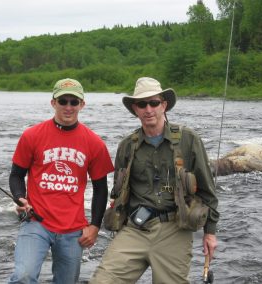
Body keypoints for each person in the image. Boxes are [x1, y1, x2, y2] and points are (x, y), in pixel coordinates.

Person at [90, 77, 219, 283]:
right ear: (135, 109)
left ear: (164, 105)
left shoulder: (189, 139)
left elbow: (207, 190)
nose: (148, 109)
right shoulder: (126, 146)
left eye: (154, 103)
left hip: (175, 229)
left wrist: (210, 233)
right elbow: (119, 192)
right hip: (135, 228)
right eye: (142, 104)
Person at [8, 78, 114, 284]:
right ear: (53, 103)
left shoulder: (94, 143)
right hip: (35, 223)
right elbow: (16, 175)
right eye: (63, 101)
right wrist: (20, 199)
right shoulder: (32, 135)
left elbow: (101, 188)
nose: (68, 107)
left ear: (82, 104)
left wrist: (94, 226)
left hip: (73, 230)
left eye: (73, 102)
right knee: (23, 276)